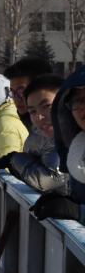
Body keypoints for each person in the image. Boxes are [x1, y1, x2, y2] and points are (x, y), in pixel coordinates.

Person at [0, 74, 67, 193]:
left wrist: (14, 159)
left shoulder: (73, 139)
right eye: (33, 111)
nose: (39, 117)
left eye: (47, 106)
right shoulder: (39, 134)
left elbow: (52, 179)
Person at [30, 69, 85, 222]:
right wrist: (69, 200)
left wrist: (78, 212)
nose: (82, 107)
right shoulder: (78, 149)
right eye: (77, 100)